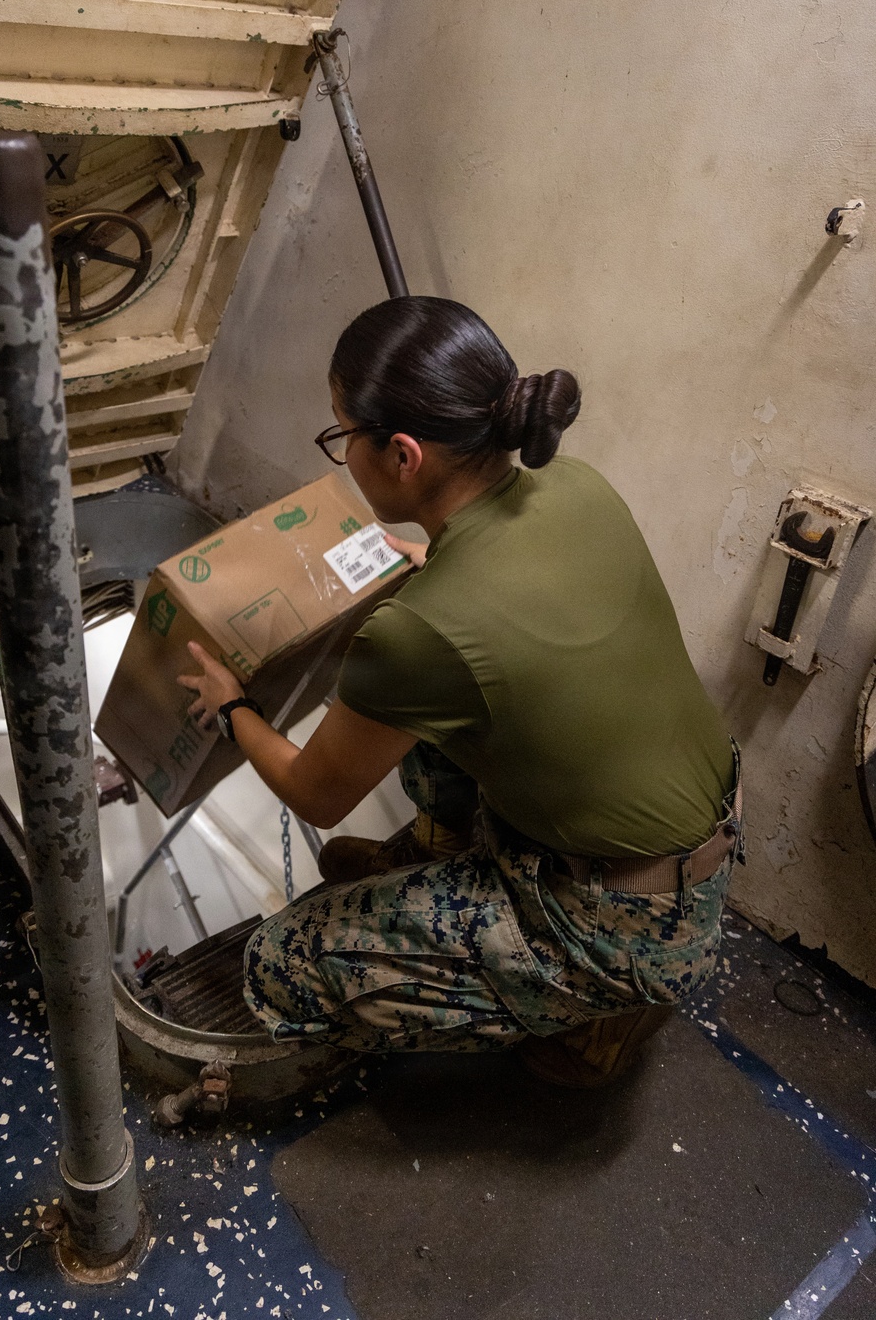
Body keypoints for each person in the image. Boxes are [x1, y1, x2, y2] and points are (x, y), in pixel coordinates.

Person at [178, 296, 741, 1086]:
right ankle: (441, 862)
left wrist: (234, 705)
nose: (340, 453)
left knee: (282, 961)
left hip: (620, 922)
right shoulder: (575, 485)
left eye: (342, 434)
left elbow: (314, 795)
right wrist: (432, 568)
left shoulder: (417, 635)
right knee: (435, 725)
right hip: (694, 836)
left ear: (404, 455)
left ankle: (594, 1016)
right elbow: (509, 618)